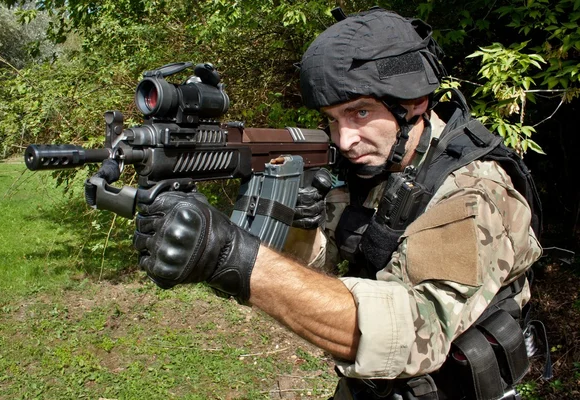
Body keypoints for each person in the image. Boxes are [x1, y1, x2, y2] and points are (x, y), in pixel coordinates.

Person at [132, 7, 543, 400]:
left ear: (415, 103)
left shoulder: (474, 191)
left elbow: (416, 336)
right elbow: (323, 272)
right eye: (332, 119)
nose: (344, 140)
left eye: (359, 112)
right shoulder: (369, 167)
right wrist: (297, 230)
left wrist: (234, 256)